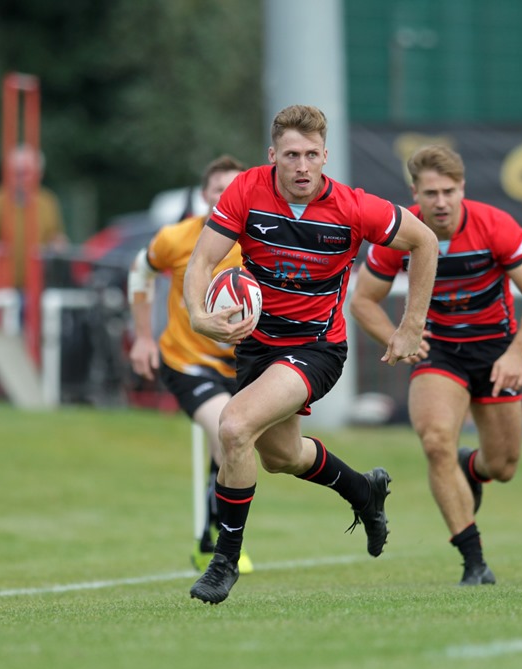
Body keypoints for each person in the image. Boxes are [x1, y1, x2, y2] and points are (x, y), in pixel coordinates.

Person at [182, 105, 438, 605]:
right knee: (280, 457)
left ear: (326, 156)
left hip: (316, 347)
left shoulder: (353, 207)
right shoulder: (246, 191)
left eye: (312, 155)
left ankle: (223, 562)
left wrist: (411, 325)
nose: (302, 166)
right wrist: (197, 312)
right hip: (258, 344)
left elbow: (424, 241)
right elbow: (203, 261)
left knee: (233, 427)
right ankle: (363, 491)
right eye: (292, 155)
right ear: (273, 155)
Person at [350, 145, 522, 586]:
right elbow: (363, 300)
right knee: (436, 441)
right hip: (438, 352)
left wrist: (516, 353)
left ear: (462, 188)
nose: (440, 202)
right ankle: (474, 561)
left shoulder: (494, 225)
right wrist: (396, 335)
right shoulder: (399, 231)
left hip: (495, 351)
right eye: (430, 193)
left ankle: (472, 467)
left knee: (503, 466)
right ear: (414, 193)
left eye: (448, 191)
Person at [127, 154, 254, 574]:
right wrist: (143, 338)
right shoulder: (177, 238)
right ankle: (221, 545)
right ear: (205, 195)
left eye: (234, 188)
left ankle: (207, 537)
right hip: (187, 360)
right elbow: (139, 273)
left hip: (243, 365)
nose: (226, 196)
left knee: (240, 448)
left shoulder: (261, 240)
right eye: (218, 189)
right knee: (227, 432)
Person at [0, 144, 69, 288]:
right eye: (16, 173)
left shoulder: (48, 201)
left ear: (39, 174)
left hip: (38, 285)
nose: (21, 179)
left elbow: (56, 235)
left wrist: (57, 244)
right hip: (1, 285)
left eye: (26, 173)